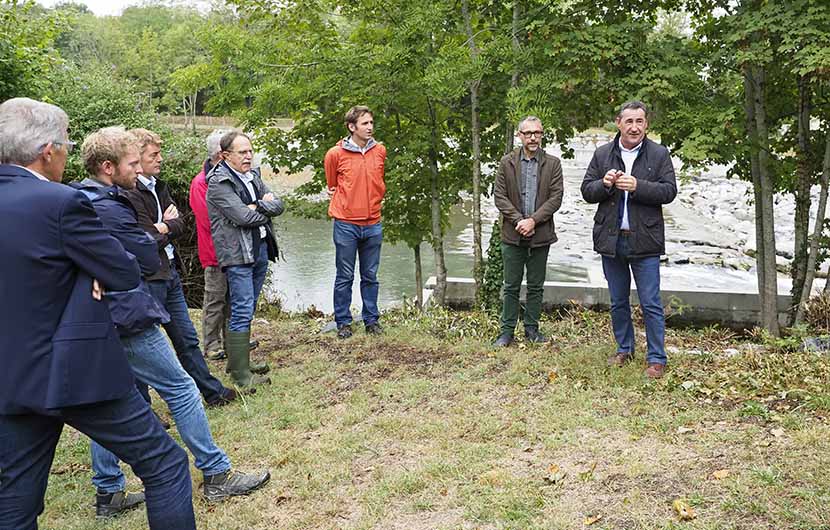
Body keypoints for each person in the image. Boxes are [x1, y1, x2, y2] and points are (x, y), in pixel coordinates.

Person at [0, 98, 196, 530]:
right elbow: (128, 268)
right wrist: (87, 268)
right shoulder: (60, 202)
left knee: (14, 503)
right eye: (66, 145)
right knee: (165, 465)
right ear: (48, 150)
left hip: (10, 376)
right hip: (75, 371)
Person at [73, 127, 271, 509]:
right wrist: (157, 233)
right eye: (133, 163)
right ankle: (216, 473)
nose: (140, 169)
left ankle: (108, 490)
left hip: (100, 314)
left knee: (109, 397)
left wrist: (152, 235)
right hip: (127, 313)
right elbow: (143, 259)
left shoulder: (79, 198)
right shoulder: (110, 206)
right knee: (180, 388)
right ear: (108, 166)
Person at [122, 128, 238, 407]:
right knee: (142, 346)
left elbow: (179, 223)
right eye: (154, 155)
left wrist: (163, 228)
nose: (160, 159)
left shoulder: (158, 186)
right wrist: (162, 228)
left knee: (186, 338)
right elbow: (143, 239)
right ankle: (143, 409)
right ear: (137, 158)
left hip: (169, 271)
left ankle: (212, 392)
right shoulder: (129, 194)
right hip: (148, 277)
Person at [580, 101, 677, 379]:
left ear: (646, 125)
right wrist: (605, 184)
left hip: (645, 240)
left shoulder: (659, 154)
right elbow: (587, 191)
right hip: (611, 240)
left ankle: (657, 358)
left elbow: (669, 191)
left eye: (640, 121)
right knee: (618, 300)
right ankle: (625, 349)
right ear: (618, 123)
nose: (634, 127)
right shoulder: (602, 154)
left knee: (650, 302)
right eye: (629, 121)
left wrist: (638, 186)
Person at [207, 131, 283, 388]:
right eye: (242, 152)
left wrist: (256, 206)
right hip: (238, 253)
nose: (248, 156)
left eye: (250, 151)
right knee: (241, 307)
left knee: (246, 308)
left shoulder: (253, 176)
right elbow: (243, 218)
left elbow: (279, 205)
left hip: (259, 247)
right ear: (225, 155)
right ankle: (240, 376)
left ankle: (239, 362)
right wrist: (263, 207)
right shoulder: (219, 182)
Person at [492, 116, 564, 347]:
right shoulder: (507, 162)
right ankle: (506, 332)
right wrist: (519, 221)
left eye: (537, 133)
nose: (533, 137)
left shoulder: (553, 164)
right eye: (528, 133)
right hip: (512, 234)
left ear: (542, 135)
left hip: (541, 234)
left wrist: (533, 221)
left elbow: (556, 198)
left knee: (535, 286)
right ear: (519, 136)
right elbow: (500, 197)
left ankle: (532, 329)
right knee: (511, 285)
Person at [324, 106, 387, 339]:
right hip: (346, 223)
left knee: (370, 275)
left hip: (373, 222)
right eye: (365, 124)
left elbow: (380, 180)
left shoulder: (380, 150)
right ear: (352, 127)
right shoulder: (335, 154)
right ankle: (343, 322)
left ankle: (371, 320)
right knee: (345, 275)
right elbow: (332, 184)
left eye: (371, 122)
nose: (370, 127)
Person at [190, 129, 231, 360]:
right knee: (215, 298)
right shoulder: (200, 183)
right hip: (214, 252)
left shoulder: (231, 177)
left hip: (234, 252)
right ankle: (211, 344)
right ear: (221, 155)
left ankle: (230, 339)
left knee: (232, 299)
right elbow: (210, 219)